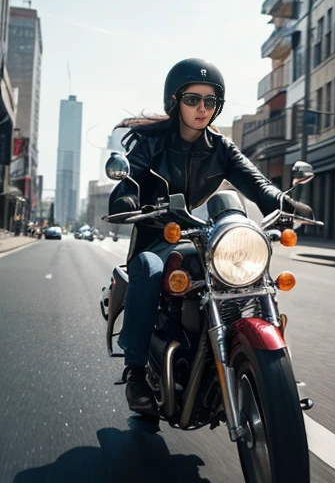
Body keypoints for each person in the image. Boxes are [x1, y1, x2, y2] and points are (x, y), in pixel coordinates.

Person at [108, 58, 313, 415]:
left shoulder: (221, 148)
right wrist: (127, 197)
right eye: (192, 99)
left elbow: (258, 184)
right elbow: (129, 180)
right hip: (159, 234)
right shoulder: (150, 144)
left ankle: (273, 372)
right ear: (175, 102)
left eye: (210, 101)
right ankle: (136, 370)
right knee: (150, 268)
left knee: (250, 276)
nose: (202, 108)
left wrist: (285, 202)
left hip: (204, 235)